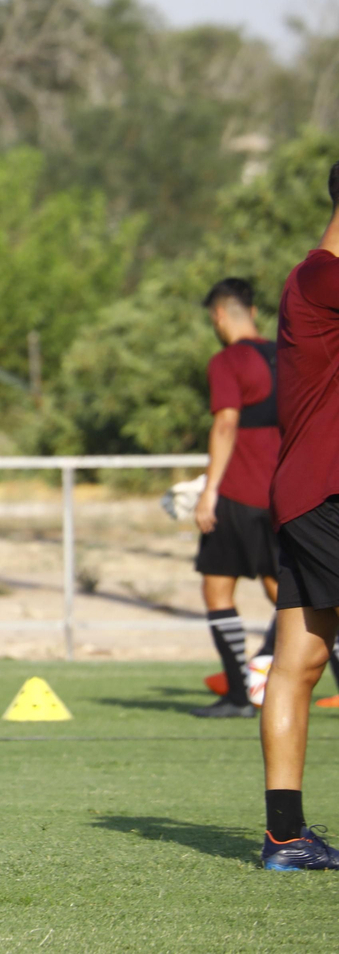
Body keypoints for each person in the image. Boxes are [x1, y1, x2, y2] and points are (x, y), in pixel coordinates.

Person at [260, 162, 339, 869]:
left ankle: (285, 837)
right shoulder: (321, 275)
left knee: (301, 661)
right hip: (328, 493)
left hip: (308, 492)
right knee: (298, 665)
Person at [191, 278, 280, 718]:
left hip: (242, 490)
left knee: (217, 587)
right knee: (289, 591)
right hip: (286, 491)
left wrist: (208, 490)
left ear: (220, 316)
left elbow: (226, 424)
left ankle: (237, 696)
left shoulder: (228, 360)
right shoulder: (288, 355)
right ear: (254, 311)